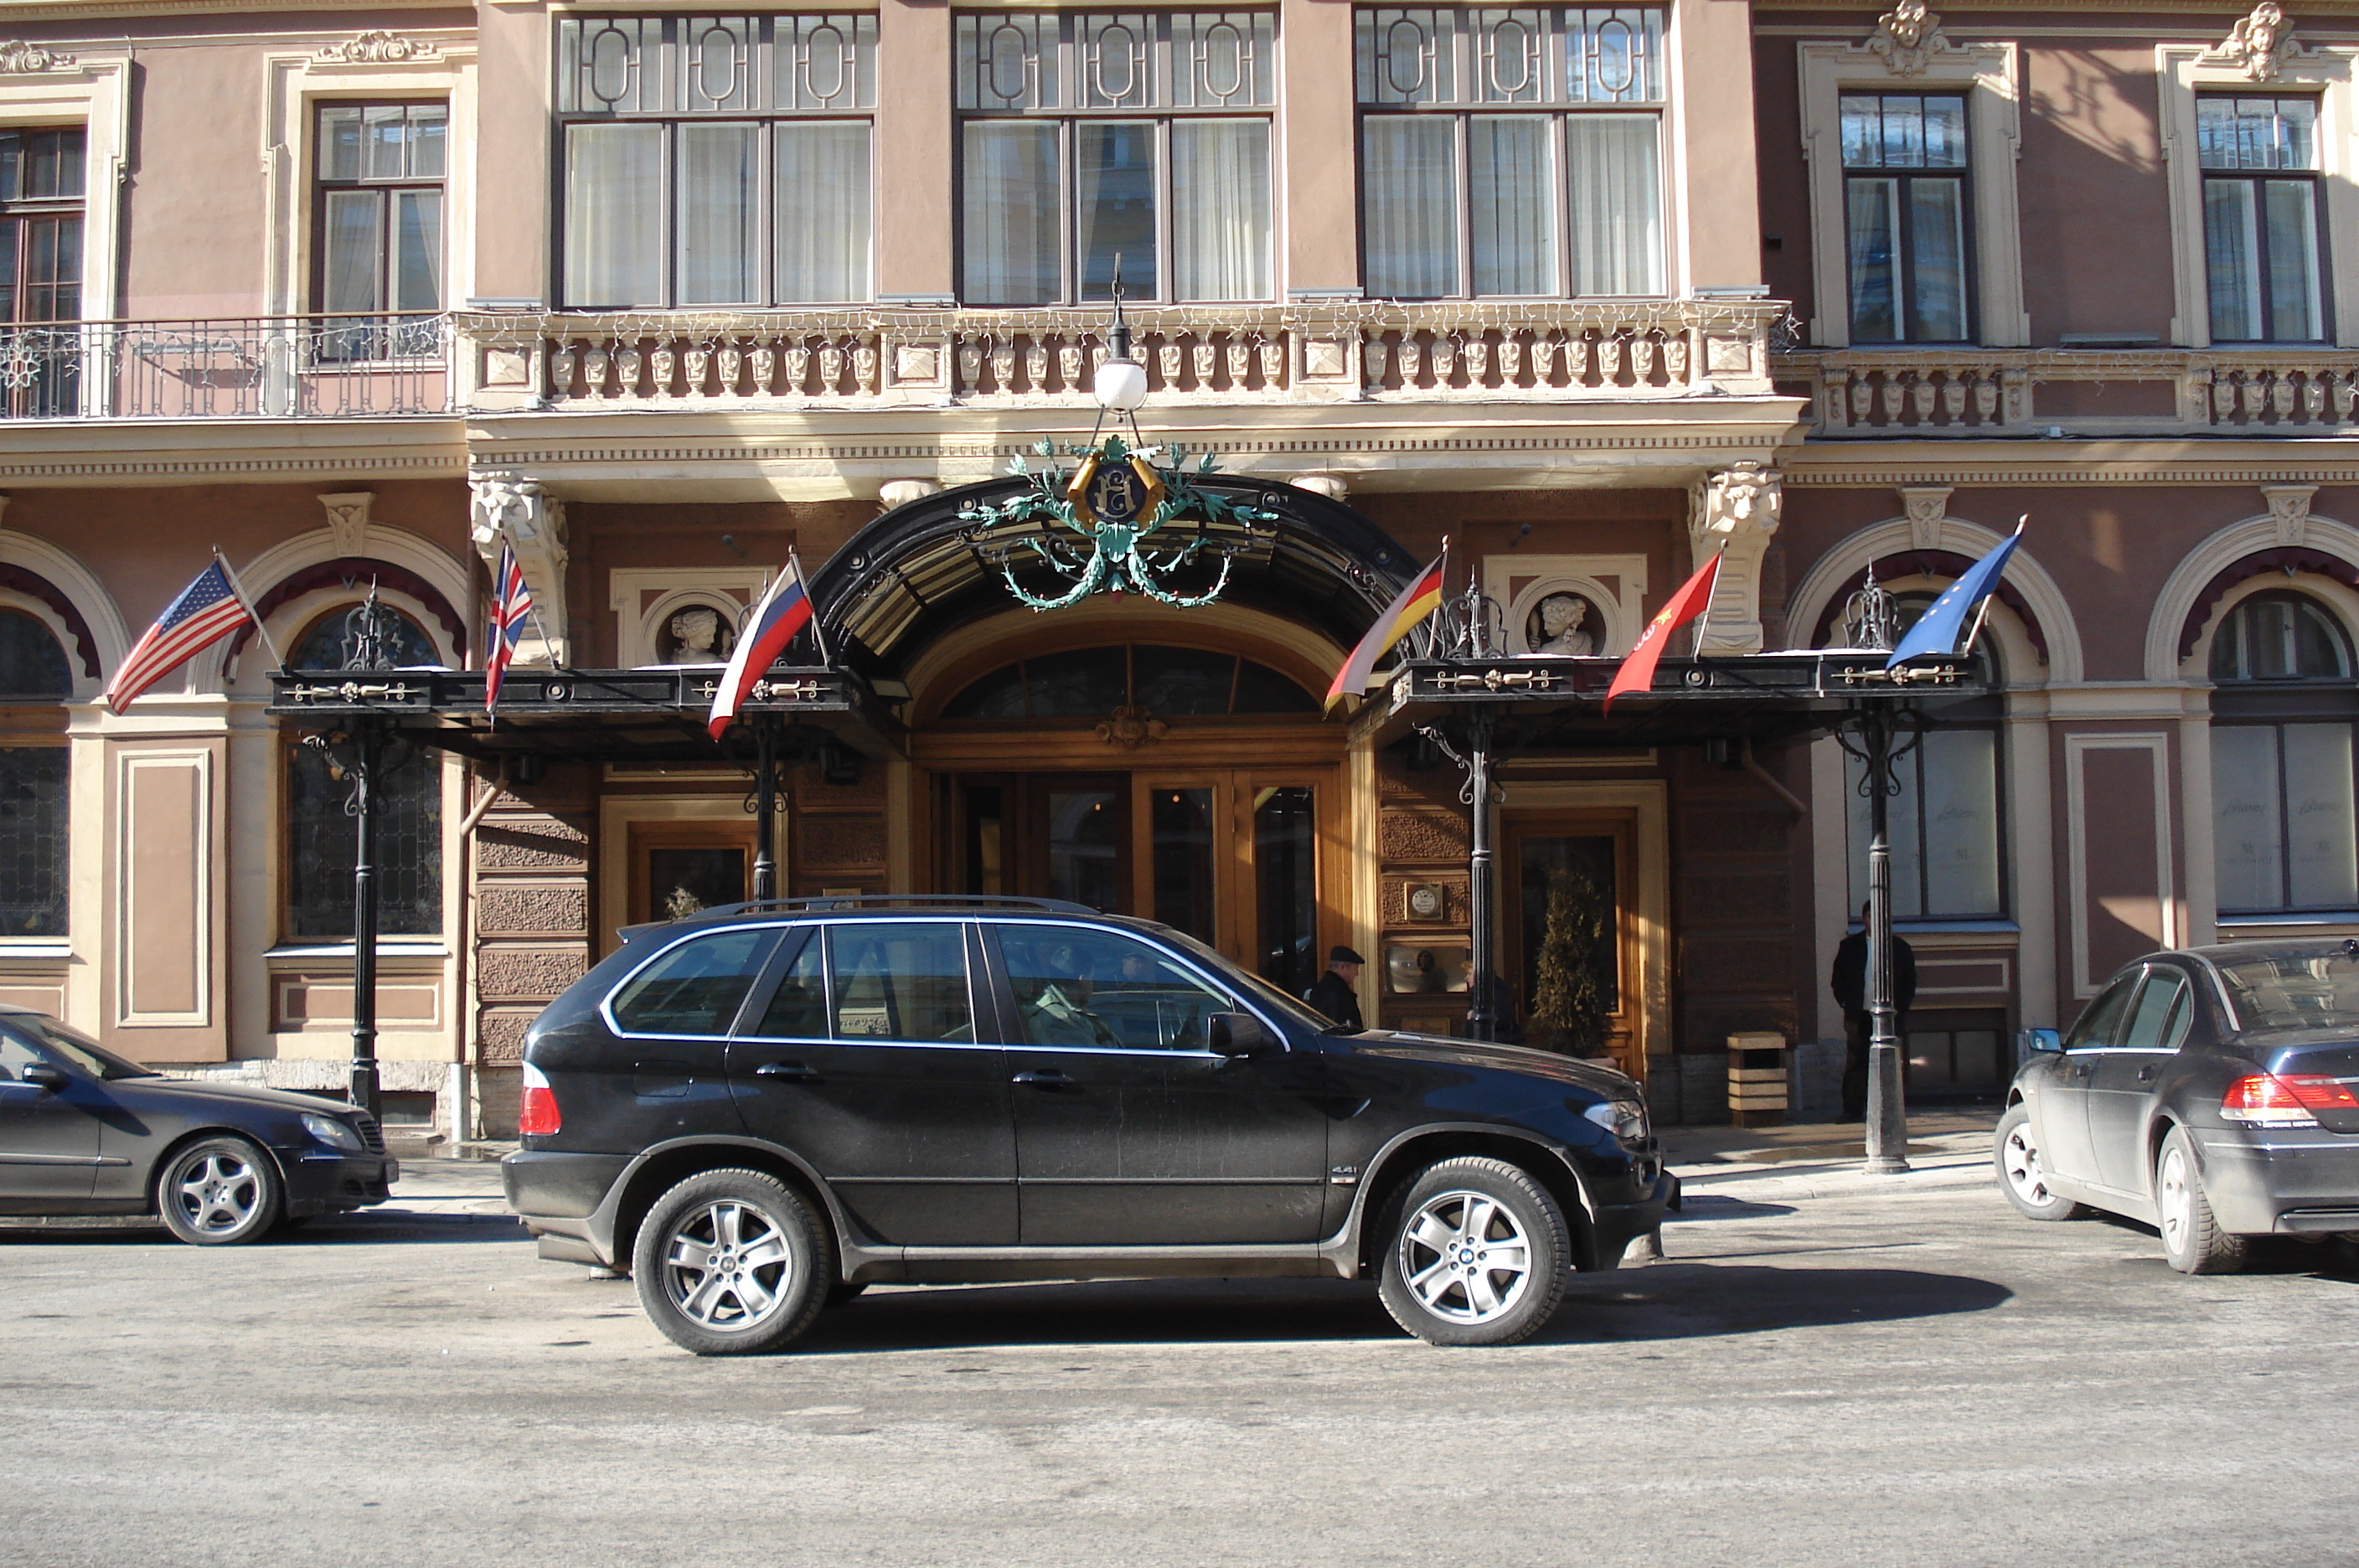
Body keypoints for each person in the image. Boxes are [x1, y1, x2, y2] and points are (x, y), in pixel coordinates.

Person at [1830, 902, 1917, 1121]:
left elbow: (1909, 981)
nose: (1874, 921)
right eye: (1870, 916)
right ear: (1864, 918)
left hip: (1890, 1016)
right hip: (1860, 1015)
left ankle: (1889, 1112)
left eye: (1879, 916)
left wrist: (1901, 1007)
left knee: (1889, 1064)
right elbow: (1838, 979)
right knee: (1856, 1064)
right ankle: (1852, 1110)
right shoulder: (1850, 947)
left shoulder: (1900, 948)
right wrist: (1846, 1003)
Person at [1304, 945, 1365, 1032]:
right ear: (1342, 967)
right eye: (1355, 969)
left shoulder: (1322, 987)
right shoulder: (1339, 993)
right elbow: (1342, 1028)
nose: (1357, 974)